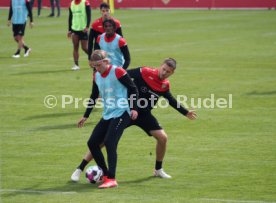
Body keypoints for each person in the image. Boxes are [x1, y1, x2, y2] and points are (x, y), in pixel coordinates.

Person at [71, 58, 197, 181]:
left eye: (168, 72)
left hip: (144, 115)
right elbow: (122, 75)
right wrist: (104, 91)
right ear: (160, 66)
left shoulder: (164, 85)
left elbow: (171, 100)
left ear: (172, 73)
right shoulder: (144, 72)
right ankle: (80, 168)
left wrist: (185, 112)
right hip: (128, 111)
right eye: (163, 69)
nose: (164, 73)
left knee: (163, 138)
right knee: (103, 141)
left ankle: (158, 170)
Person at [78, 50, 138, 188]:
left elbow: (133, 89)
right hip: (108, 113)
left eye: (98, 65)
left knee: (110, 142)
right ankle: (105, 174)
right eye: (94, 66)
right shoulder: (96, 76)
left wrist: (134, 107)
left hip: (123, 112)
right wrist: (85, 115)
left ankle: (112, 179)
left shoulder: (118, 72)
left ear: (106, 61)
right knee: (92, 143)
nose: (96, 69)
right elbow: (94, 95)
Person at [67, 0, 91, 70]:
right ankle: (76, 65)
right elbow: (70, 17)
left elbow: (89, 15)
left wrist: (87, 26)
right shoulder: (71, 4)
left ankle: (95, 59)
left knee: (84, 48)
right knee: (75, 47)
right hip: (74, 29)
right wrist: (69, 30)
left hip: (83, 29)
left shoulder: (85, 3)